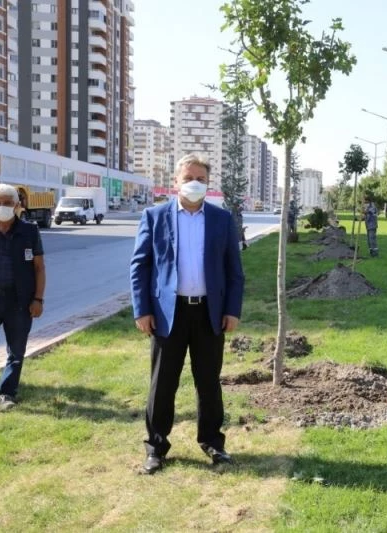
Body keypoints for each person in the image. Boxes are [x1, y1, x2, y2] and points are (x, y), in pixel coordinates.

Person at [130, 153, 245, 474]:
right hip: (168, 314)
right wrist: (142, 310)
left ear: (208, 184)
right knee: (163, 383)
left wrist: (232, 310)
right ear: (175, 182)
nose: (194, 183)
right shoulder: (155, 216)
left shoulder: (222, 220)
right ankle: (156, 447)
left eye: (201, 179)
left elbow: (234, 271)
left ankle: (212, 442)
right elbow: (140, 266)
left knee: (208, 382)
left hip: (210, 314)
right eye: (188, 178)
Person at [0, 184, 46, 411]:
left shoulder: (29, 231)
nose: (2, 207)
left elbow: (39, 268)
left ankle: (6, 393)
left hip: (19, 301)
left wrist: (38, 299)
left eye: (7, 203)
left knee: (16, 351)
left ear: (17, 206)